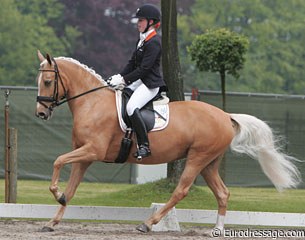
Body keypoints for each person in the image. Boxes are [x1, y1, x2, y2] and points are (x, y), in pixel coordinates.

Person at [108, 4, 167, 159]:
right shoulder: (141, 41)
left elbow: (144, 69)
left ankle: (144, 146)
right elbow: (132, 63)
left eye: (141, 20)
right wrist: (119, 76)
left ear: (152, 22)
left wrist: (124, 80)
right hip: (139, 82)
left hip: (149, 84)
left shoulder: (154, 42)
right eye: (138, 20)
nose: (138, 23)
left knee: (131, 107)